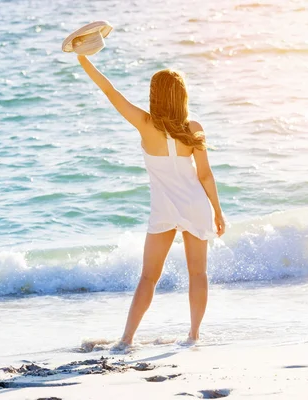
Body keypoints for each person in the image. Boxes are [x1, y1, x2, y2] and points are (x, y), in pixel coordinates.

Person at [76, 54, 226, 348]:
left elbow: (110, 91)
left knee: (148, 277)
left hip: (164, 208)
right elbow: (205, 175)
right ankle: (193, 336)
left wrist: (83, 59)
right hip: (195, 204)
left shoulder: (144, 123)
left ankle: (126, 339)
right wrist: (218, 212)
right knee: (198, 273)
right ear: (182, 96)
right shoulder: (193, 127)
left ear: (154, 96)